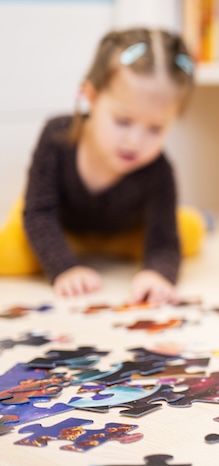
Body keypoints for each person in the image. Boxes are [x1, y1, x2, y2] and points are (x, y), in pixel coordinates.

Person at [0, 28, 205, 304]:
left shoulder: (158, 169)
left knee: (189, 233)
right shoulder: (56, 137)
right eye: (122, 121)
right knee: (8, 253)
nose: (135, 141)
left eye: (155, 129)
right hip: (61, 228)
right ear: (91, 97)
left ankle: (202, 219)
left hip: (124, 234)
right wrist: (65, 268)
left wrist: (157, 274)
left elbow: (163, 240)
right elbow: (39, 213)